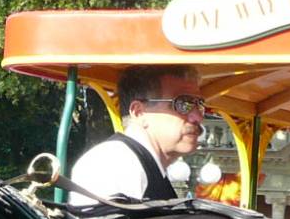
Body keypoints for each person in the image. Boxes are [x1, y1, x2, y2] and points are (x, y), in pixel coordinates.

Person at [67, 65, 203, 204]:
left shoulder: (146, 166)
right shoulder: (115, 162)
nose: (197, 117)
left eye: (199, 105)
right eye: (183, 104)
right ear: (139, 112)